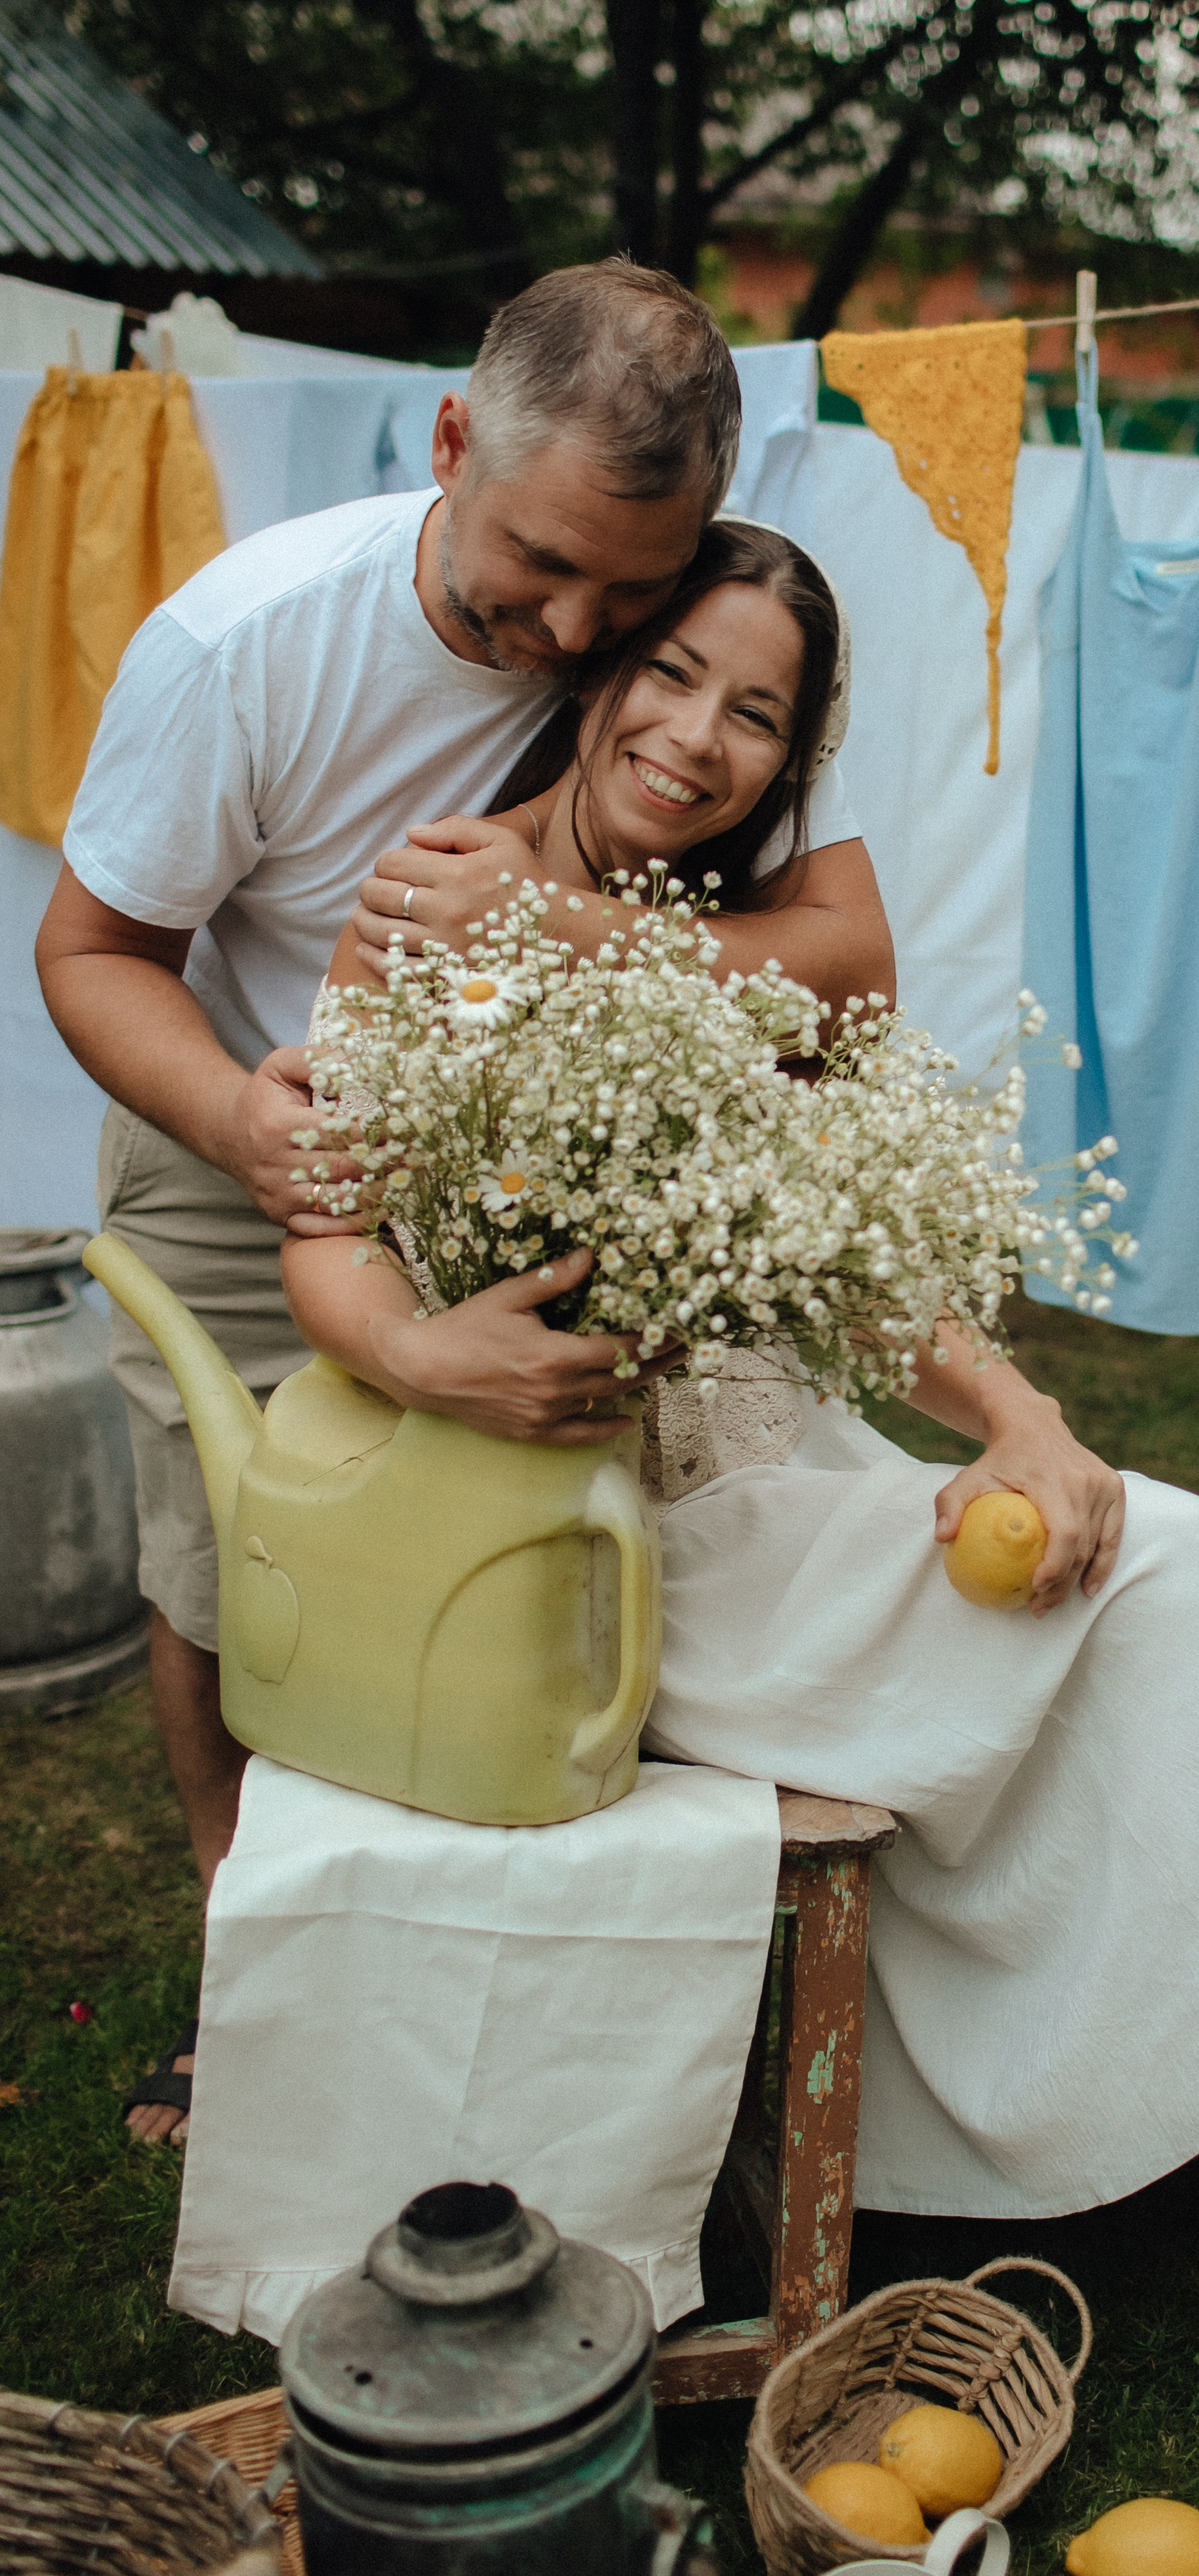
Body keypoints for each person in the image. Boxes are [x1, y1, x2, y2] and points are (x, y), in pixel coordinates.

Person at [283, 527, 1199, 2290]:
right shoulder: (429, 895)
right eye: (675, 675)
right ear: (601, 664)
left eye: (758, 716)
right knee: (1168, 1576)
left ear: (797, 755)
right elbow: (326, 1227)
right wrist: (421, 1353)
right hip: (577, 1547)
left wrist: (1019, 1415)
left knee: (1137, 1576)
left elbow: (848, 1248)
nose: (700, 741)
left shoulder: (761, 949)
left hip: (783, 1470)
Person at [35, 265, 894, 2147]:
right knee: (232, 1553)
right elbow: (94, 951)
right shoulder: (245, 644)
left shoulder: (698, 636)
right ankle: (243, 1945)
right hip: (243, 1104)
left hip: (532, 1135)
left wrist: (565, 931)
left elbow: (845, 960)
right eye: (538, 564)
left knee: (534, 1541)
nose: (574, 627)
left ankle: (550, 1962)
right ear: (449, 443)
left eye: (628, 588)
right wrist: (244, 1126)